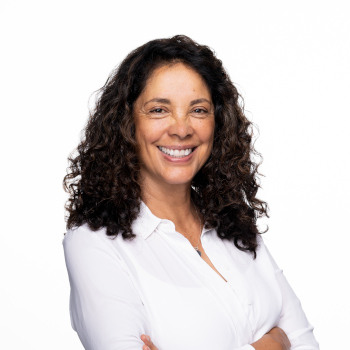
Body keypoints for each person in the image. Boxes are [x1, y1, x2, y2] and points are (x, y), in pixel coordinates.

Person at [63, 35, 319, 350]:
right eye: (158, 110)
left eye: (198, 110)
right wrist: (274, 345)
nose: (182, 128)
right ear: (127, 123)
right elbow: (289, 341)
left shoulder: (232, 223)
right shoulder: (95, 243)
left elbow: (306, 343)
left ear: (218, 122)